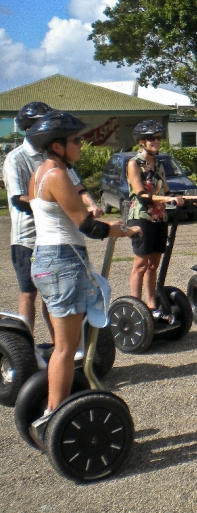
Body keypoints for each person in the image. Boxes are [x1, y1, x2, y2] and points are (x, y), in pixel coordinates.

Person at [25, 111, 140, 440]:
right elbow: (87, 226)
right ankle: (52, 417)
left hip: (48, 259)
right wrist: (122, 230)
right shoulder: (57, 175)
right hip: (63, 262)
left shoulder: (42, 173)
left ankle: (54, 408)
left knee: (68, 344)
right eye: (76, 140)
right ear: (58, 146)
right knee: (66, 347)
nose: (82, 144)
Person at [2, 102, 103, 342]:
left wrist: (90, 203)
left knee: (56, 298)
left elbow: (77, 187)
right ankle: (24, 350)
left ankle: (58, 346)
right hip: (28, 237)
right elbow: (19, 200)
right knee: (28, 293)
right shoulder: (15, 159)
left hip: (58, 240)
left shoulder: (57, 155)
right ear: (29, 129)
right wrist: (62, 207)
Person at [127, 120, 197, 312]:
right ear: (141, 141)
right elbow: (141, 194)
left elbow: (167, 193)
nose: (156, 141)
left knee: (153, 265)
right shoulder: (134, 164)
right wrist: (168, 201)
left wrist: (189, 198)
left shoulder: (159, 165)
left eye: (158, 138)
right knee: (141, 265)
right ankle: (136, 306)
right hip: (141, 218)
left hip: (159, 219)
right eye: (151, 138)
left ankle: (151, 303)